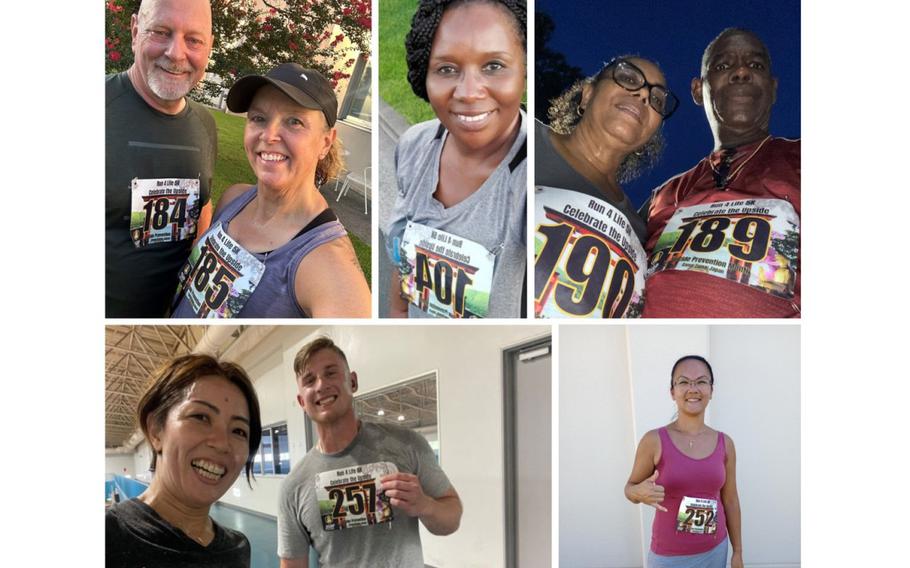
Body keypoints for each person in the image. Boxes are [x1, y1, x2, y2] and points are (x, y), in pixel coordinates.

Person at [170, 63, 371, 318]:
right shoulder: (234, 198)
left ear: (325, 142)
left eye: (294, 121)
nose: (270, 135)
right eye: (259, 118)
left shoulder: (325, 262)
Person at [642, 28, 800, 318]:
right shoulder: (663, 196)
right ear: (697, 90)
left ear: (774, 87)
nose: (741, 71)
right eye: (723, 65)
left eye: (756, 65)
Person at [384, 0, 527, 318]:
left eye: (493, 66)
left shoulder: (533, 174)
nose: (469, 92)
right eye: (447, 69)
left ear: (525, 66)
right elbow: (401, 252)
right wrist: (398, 314)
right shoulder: (414, 146)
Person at [278, 338, 462, 567]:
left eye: (331, 373)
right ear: (301, 402)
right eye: (309, 380)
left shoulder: (407, 445)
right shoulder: (294, 486)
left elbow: (452, 518)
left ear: (352, 381)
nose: (320, 385)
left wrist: (425, 505)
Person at [535, 56, 677, 318]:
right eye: (628, 78)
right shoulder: (521, 140)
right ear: (587, 95)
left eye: (657, 99)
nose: (644, 94)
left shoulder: (637, 231)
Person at [106, 0, 216, 317]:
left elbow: (202, 205)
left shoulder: (205, 126)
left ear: (208, 47)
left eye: (193, 40)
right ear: (135, 30)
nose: (176, 53)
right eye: (161, 32)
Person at [106, 354, 263, 568]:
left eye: (238, 431)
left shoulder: (237, 549)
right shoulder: (109, 538)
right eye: (200, 417)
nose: (222, 443)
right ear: (155, 431)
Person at [625, 356, 742, 568]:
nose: (693, 388)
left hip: (715, 551)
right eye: (684, 381)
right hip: (668, 558)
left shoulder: (726, 443)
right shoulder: (653, 440)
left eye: (701, 381)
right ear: (672, 392)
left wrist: (738, 552)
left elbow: (731, 500)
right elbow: (629, 489)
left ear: (711, 390)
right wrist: (636, 493)